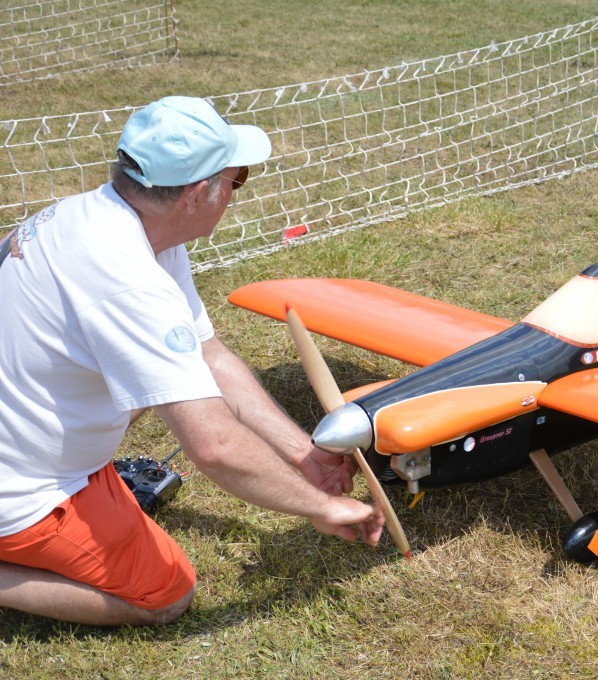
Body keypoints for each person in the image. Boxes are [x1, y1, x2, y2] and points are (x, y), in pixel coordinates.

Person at [0, 96, 385, 627]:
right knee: (166, 593)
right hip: (22, 490)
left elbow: (210, 357)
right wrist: (323, 507)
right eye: (237, 179)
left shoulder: (119, 221)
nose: (234, 193)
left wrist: (303, 454)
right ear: (198, 192)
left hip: (27, 434)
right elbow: (215, 445)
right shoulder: (129, 280)